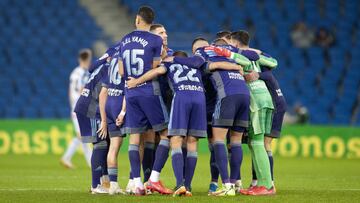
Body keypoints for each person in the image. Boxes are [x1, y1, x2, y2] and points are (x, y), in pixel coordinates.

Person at [213, 30, 277, 195]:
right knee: (255, 142)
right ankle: (262, 183)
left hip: (256, 100)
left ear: (235, 42)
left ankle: (267, 186)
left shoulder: (240, 54)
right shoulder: (255, 54)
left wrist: (227, 53)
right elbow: (274, 62)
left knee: (257, 143)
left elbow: (243, 60)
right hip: (265, 98)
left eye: (231, 43)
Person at [118, 6, 171, 195]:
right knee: (165, 134)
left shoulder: (124, 39)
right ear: (151, 21)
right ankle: (154, 179)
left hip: (130, 92)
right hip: (149, 91)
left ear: (137, 20)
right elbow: (155, 66)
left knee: (134, 139)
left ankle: (137, 182)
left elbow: (122, 71)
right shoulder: (156, 39)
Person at [193, 38, 253, 196]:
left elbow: (202, 64)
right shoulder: (231, 53)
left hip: (227, 96)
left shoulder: (203, 52)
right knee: (236, 141)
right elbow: (252, 57)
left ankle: (226, 186)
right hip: (244, 94)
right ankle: (234, 184)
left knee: (218, 140)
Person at [73, 47, 115, 194]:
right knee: (100, 144)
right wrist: (104, 120)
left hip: (88, 105)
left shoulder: (103, 65)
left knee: (105, 142)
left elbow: (91, 68)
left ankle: (105, 182)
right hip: (90, 108)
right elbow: (103, 94)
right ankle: (95, 185)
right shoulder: (110, 69)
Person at [97, 43, 127, 195]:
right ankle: (131, 182)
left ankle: (112, 184)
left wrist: (103, 119)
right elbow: (128, 88)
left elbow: (103, 93)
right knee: (121, 145)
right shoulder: (125, 59)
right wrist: (122, 112)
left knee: (112, 148)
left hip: (109, 103)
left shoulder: (113, 60)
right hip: (119, 104)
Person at [61, 49, 92, 169]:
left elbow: (70, 92)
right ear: (88, 59)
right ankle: (67, 157)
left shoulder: (74, 72)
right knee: (82, 135)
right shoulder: (83, 73)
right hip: (80, 107)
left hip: (75, 106)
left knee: (83, 135)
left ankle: (89, 162)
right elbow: (81, 90)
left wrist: (72, 106)